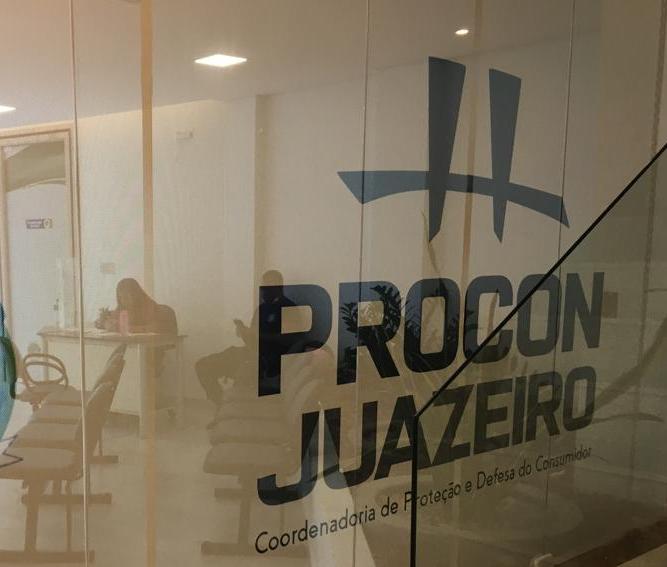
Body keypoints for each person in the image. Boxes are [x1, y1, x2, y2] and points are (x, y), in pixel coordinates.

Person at [196, 270, 293, 409]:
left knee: (243, 372)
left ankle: (230, 409)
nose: (263, 291)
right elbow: (253, 341)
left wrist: (254, 333)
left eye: (266, 286)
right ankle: (221, 405)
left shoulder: (289, 309)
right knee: (203, 365)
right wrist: (243, 332)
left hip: (264, 361)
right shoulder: (262, 309)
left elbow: (284, 343)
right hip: (248, 354)